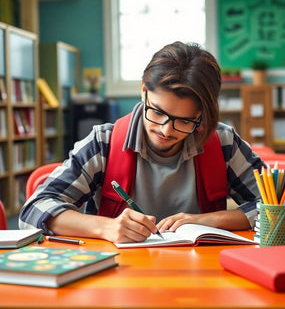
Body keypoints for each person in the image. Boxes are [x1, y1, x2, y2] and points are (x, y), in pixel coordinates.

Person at [19, 41, 265, 243]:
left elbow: (281, 205)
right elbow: (33, 210)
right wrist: (106, 227)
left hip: (205, 275)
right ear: (143, 91)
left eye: (185, 121)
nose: (165, 130)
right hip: (117, 279)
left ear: (203, 115)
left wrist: (213, 219)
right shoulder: (103, 143)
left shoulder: (223, 143)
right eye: (157, 112)